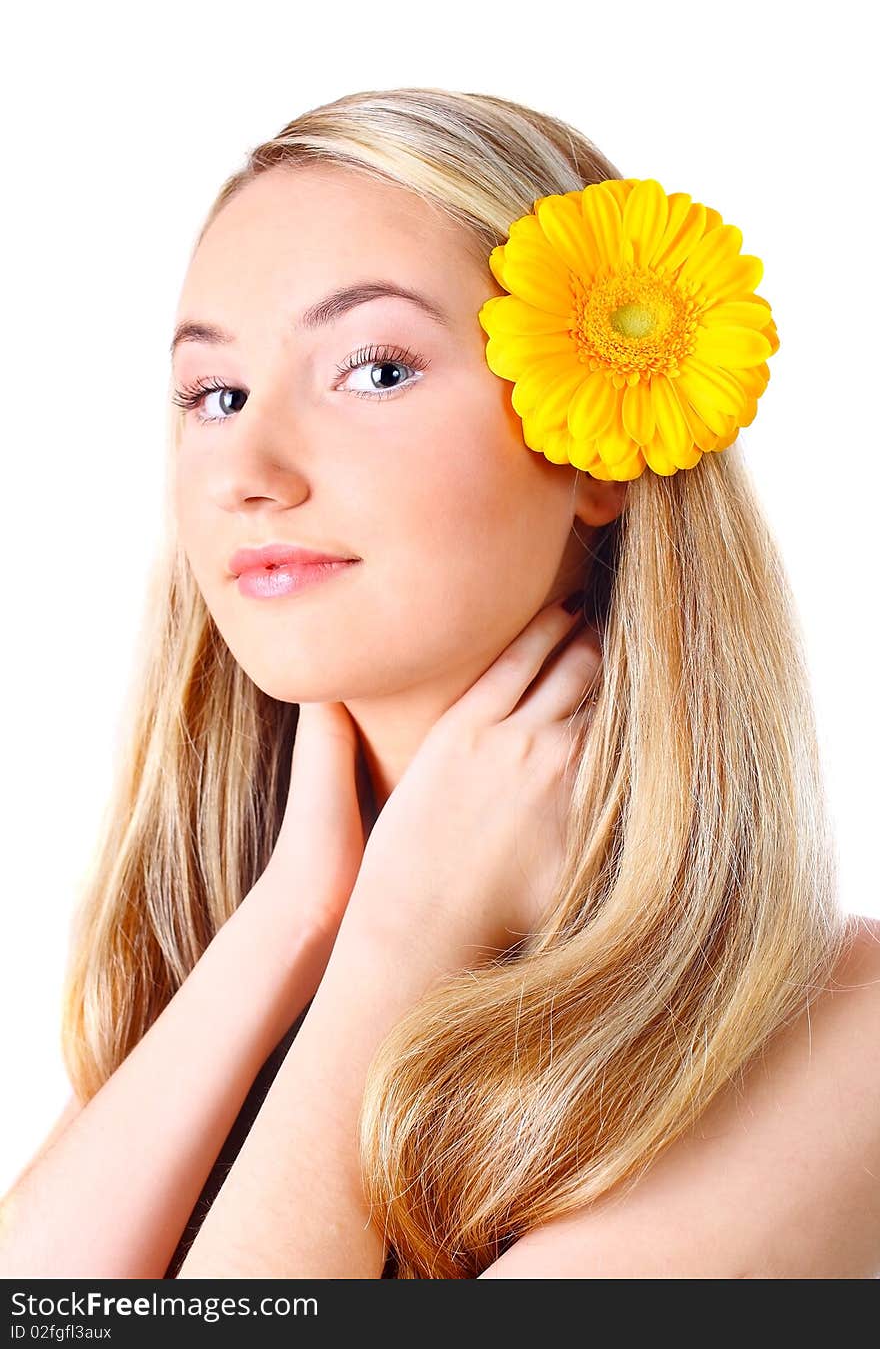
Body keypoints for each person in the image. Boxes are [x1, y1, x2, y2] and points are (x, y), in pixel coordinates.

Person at [1, 87, 878, 1281]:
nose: (247, 469)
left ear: (597, 449)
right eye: (215, 394)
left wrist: (400, 937)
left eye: (372, 369)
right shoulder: (250, 970)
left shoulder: (849, 1033)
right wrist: (295, 922)